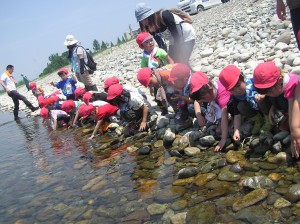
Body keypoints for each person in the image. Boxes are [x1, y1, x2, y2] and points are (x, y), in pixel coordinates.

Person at [253, 61, 300, 158]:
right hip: (287, 104)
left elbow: (293, 110)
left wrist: (294, 133)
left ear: (280, 79)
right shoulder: (279, 85)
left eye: (270, 91)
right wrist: (272, 108)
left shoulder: (292, 84)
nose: (269, 93)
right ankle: (286, 121)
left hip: (296, 106)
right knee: (272, 97)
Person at [219, 65, 272, 139]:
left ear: (243, 77)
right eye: (232, 90)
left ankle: (268, 120)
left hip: (266, 107)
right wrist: (236, 131)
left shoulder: (254, 83)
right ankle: (258, 120)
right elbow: (237, 115)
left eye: (238, 85)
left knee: (260, 99)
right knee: (240, 106)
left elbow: (269, 89)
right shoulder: (236, 97)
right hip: (255, 110)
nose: (237, 90)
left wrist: (263, 95)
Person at [190, 71, 232, 151]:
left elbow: (224, 116)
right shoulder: (206, 93)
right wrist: (198, 116)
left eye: (204, 99)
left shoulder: (221, 95)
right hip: (215, 104)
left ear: (210, 89)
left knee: (219, 130)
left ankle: (231, 121)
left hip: (229, 105)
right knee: (192, 107)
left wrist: (223, 139)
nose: (203, 101)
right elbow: (196, 101)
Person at [168, 63, 194, 130]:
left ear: (184, 79)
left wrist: (181, 97)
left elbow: (194, 100)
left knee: (190, 107)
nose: (174, 83)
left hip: (197, 104)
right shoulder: (185, 82)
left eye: (176, 81)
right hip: (187, 99)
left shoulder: (192, 84)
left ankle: (192, 118)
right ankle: (182, 116)